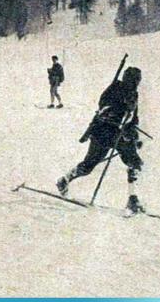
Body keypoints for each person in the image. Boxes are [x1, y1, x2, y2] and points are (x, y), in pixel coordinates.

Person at [56, 67, 144, 214]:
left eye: (137, 81)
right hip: (103, 131)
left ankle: (132, 199)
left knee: (135, 163)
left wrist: (133, 133)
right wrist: (118, 109)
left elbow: (133, 118)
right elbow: (103, 107)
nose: (136, 83)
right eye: (134, 80)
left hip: (120, 135)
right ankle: (64, 180)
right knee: (88, 165)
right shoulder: (115, 88)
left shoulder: (134, 94)